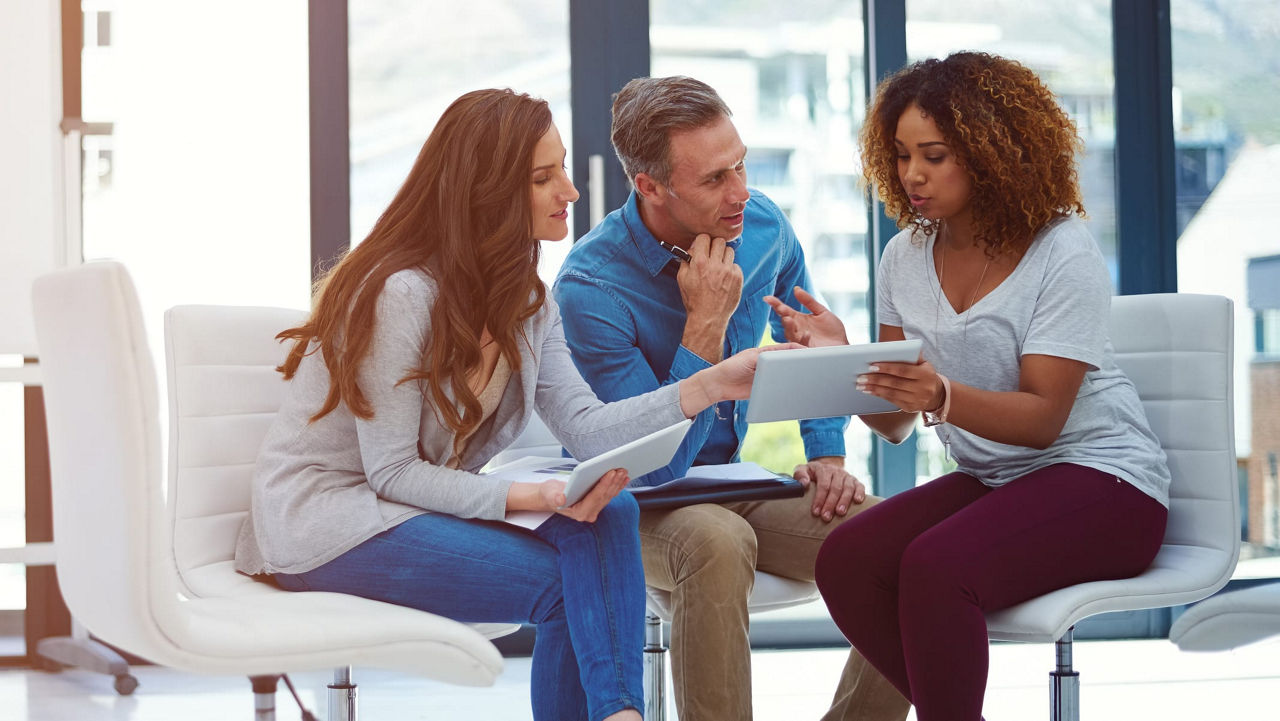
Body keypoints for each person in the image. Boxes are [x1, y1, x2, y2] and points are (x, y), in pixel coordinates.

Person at [232, 88, 779, 721]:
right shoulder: (401, 294)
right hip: (328, 524)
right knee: (568, 584)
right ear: (487, 194)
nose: (571, 191)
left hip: (405, 508)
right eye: (544, 178)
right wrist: (530, 497)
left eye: (563, 168)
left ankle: (621, 715)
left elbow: (589, 426)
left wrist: (707, 384)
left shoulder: (525, 303)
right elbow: (390, 473)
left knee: (607, 514)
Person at [766, 52, 1171, 721]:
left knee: (933, 565)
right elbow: (895, 420)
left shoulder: (1060, 249)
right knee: (848, 558)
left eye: (934, 154)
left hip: (1109, 484)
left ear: (991, 153)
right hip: (1000, 479)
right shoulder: (904, 255)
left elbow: (1044, 417)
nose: (912, 175)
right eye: (900, 156)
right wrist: (842, 360)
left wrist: (943, 396)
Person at [553, 76, 910, 721]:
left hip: (730, 477)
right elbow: (650, 465)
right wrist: (705, 329)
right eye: (716, 178)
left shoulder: (765, 226)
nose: (742, 193)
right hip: (627, 500)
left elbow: (807, 341)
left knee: (904, 548)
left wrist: (826, 451)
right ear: (650, 186)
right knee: (715, 539)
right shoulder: (590, 287)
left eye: (740, 164)